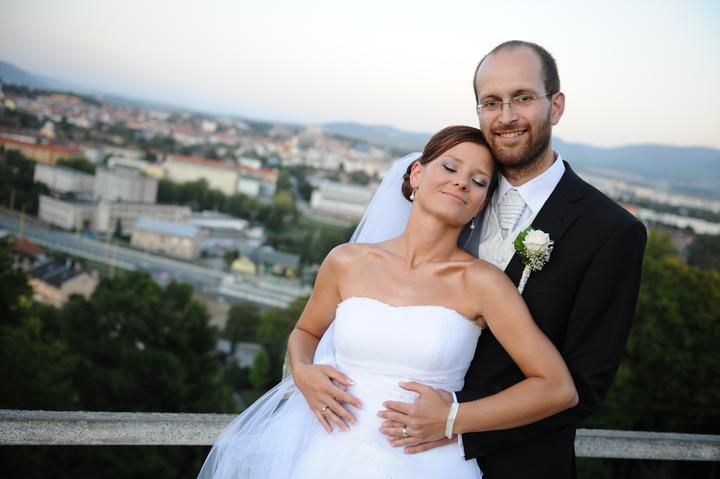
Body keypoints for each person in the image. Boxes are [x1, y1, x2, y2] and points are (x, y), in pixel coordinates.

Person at [197, 125, 579, 479]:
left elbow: (557, 388)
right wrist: (302, 370)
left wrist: (453, 418)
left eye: (478, 181)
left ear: (481, 204)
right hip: (328, 453)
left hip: (426, 463)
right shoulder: (346, 261)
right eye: (450, 167)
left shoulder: (483, 283)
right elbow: (306, 332)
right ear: (417, 174)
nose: (462, 181)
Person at [370, 41, 647, 478]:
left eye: (523, 98)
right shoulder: (454, 193)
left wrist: (455, 422)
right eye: (492, 102)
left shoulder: (611, 232)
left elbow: (584, 386)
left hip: (519, 465)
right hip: (395, 452)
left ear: (556, 106)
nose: (506, 116)